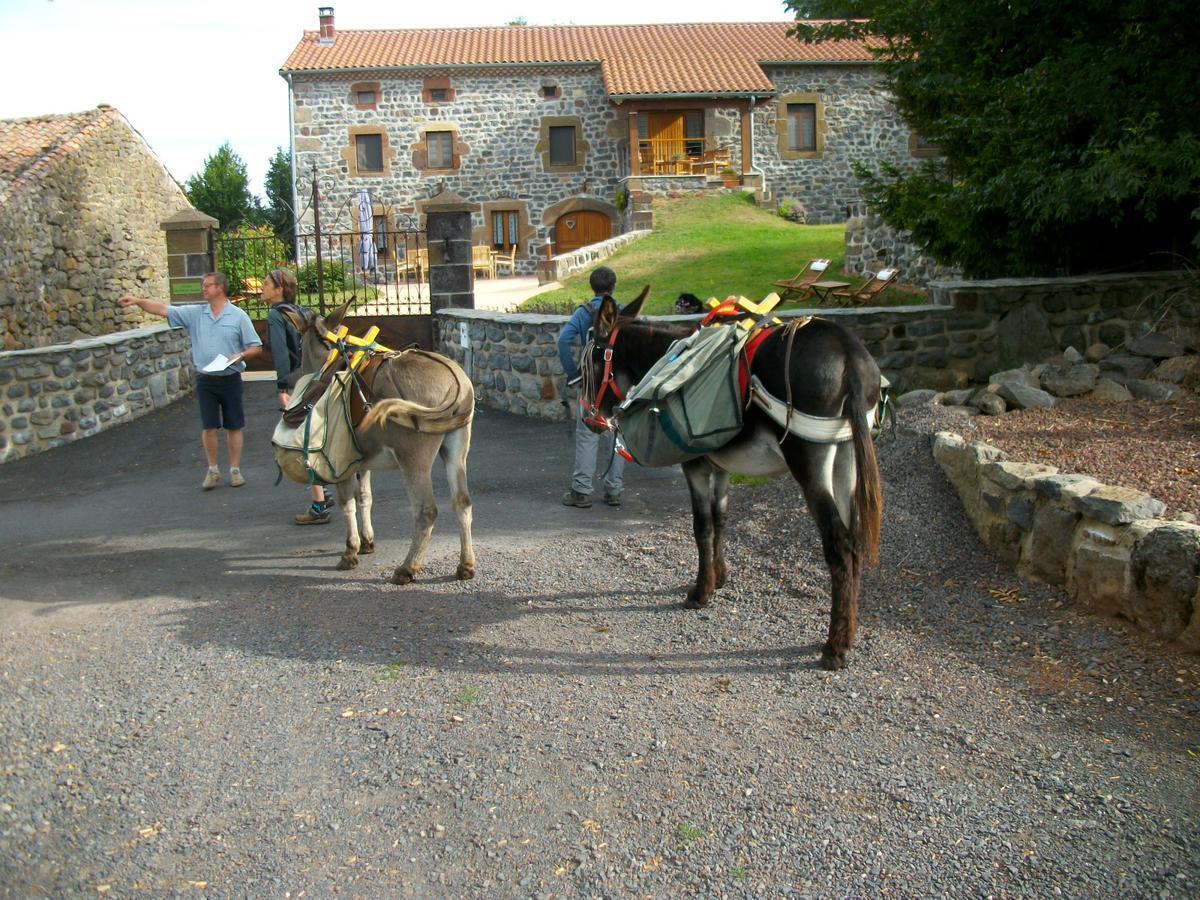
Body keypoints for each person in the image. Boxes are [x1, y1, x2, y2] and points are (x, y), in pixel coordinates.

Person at [119, 272, 262, 489]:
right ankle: (213, 470)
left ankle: (235, 470)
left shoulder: (238, 316)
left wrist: (241, 355)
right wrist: (138, 301)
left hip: (230, 377)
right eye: (203, 285)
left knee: (234, 425)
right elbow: (162, 309)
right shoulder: (196, 314)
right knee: (209, 426)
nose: (203, 289)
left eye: (207, 285)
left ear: (220, 288)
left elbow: (255, 346)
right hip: (206, 379)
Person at [261, 267, 334, 525]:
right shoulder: (304, 311)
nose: (262, 287)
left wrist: (282, 389)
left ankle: (319, 505)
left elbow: (281, 354)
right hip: (318, 379)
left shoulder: (275, 315)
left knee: (302, 440)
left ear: (279, 289)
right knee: (318, 434)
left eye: (266, 284)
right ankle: (324, 490)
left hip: (296, 383)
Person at [556, 265, 626, 508]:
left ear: (592, 286)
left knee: (587, 434)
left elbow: (563, 341)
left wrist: (574, 375)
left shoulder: (583, 312)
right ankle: (614, 490)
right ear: (613, 287)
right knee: (616, 433)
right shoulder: (623, 312)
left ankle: (582, 491)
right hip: (617, 383)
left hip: (591, 383)